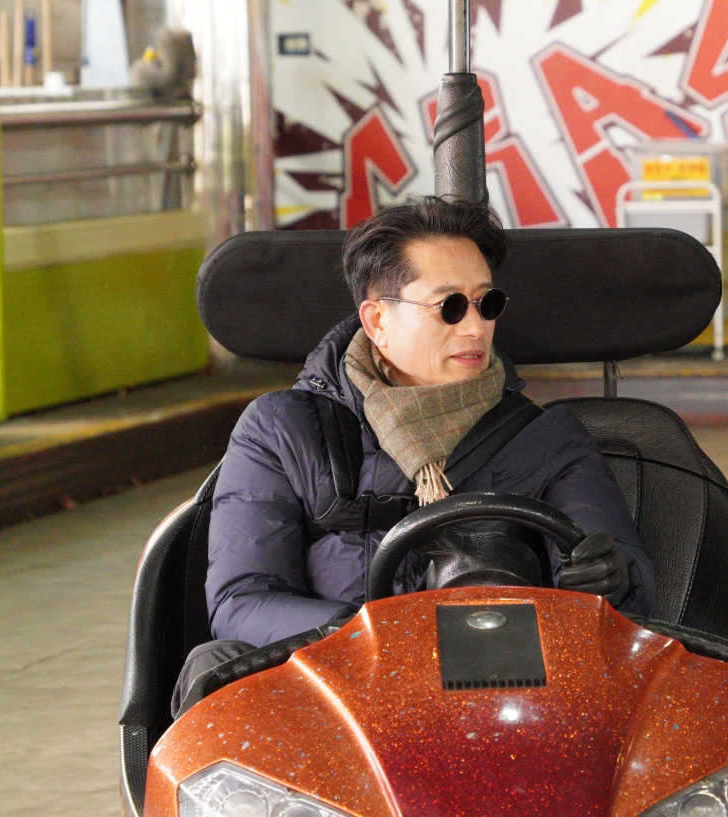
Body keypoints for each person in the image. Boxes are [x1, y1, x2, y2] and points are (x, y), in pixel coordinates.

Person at [172, 197, 656, 716]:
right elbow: (241, 601)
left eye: (487, 304)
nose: (475, 328)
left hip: (507, 699)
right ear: (378, 319)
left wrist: (610, 580)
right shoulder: (284, 430)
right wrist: (377, 637)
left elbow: (625, 597)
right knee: (214, 666)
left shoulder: (547, 439)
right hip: (333, 697)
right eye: (450, 307)